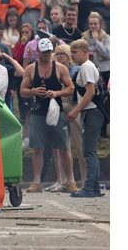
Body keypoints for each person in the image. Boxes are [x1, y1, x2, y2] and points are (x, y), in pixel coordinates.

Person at [20, 38, 78, 193]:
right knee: (37, 148)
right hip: (38, 111)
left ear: (50, 52)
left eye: (48, 52)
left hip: (56, 111)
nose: (46, 55)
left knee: (63, 147)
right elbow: (23, 91)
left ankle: (70, 181)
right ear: (37, 52)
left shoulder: (59, 68)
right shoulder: (31, 69)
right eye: (43, 52)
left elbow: (71, 88)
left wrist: (57, 93)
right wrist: (33, 91)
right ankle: (37, 181)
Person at [68, 39, 106, 198]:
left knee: (88, 151)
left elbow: (90, 92)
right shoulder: (88, 66)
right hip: (93, 112)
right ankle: (94, 188)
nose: (72, 56)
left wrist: (76, 110)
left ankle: (89, 188)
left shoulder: (86, 67)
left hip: (92, 112)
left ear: (85, 52)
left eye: (74, 52)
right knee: (91, 151)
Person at [53, 44, 86, 189]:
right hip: (59, 107)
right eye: (57, 53)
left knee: (80, 145)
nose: (59, 56)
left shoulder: (76, 70)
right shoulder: (53, 70)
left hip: (74, 105)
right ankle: (63, 180)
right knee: (60, 146)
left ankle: (86, 181)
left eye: (62, 53)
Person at [81, 12, 110, 85]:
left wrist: (96, 40)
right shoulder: (84, 37)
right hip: (90, 70)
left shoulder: (106, 38)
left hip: (104, 71)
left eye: (95, 24)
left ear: (100, 24)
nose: (93, 26)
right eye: (91, 24)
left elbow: (106, 54)